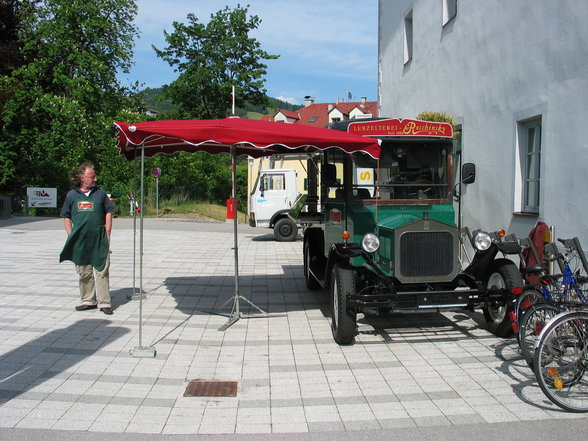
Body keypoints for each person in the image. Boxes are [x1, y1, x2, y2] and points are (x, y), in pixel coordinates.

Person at [59, 162, 115, 315]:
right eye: (92, 176)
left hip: (99, 239)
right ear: (83, 178)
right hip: (80, 240)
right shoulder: (72, 195)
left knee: (102, 270)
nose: (95, 179)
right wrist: (71, 235)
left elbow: (109, 211)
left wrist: (108, 231)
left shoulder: (100, 193)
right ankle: (88, 300)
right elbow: (66, 216)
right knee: (84, 271)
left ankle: (104, 303)